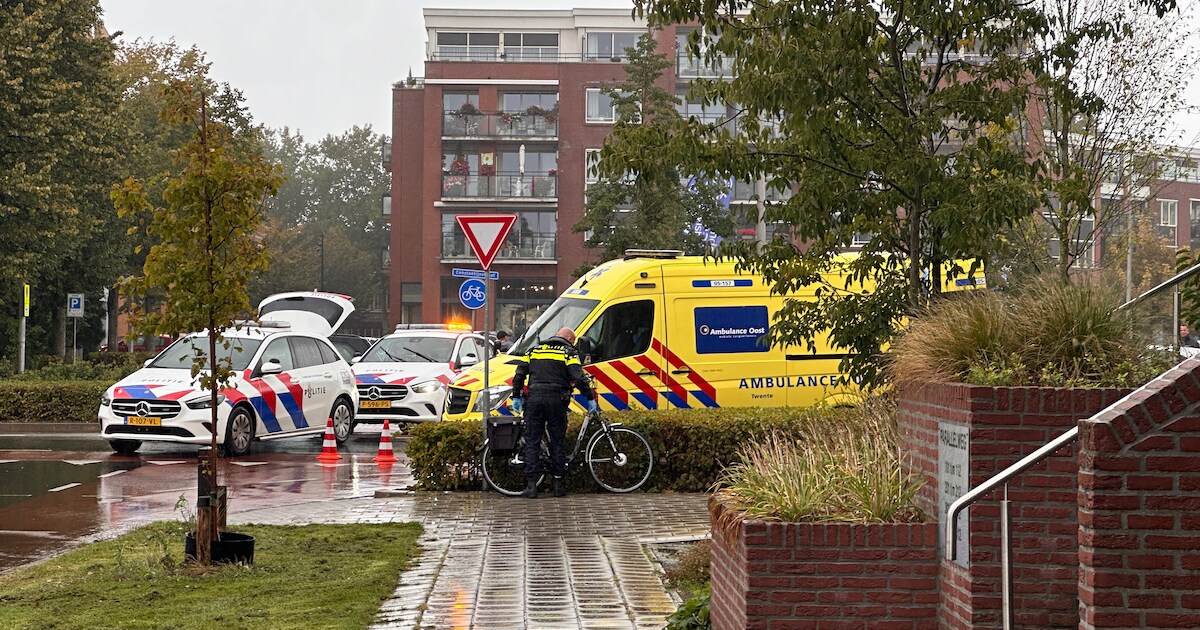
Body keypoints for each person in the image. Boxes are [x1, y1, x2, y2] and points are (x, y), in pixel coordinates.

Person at [509, 326, 597, 498]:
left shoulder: (534, 350)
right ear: (571, 340)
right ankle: (558, 485)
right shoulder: (568, 352)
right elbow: (578, 377)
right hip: (557, 400)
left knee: (532, 441)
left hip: (534, 399)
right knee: (557, 441)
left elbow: (519, 374)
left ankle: (532, 486)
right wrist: (589, 397)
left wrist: (516, 396)